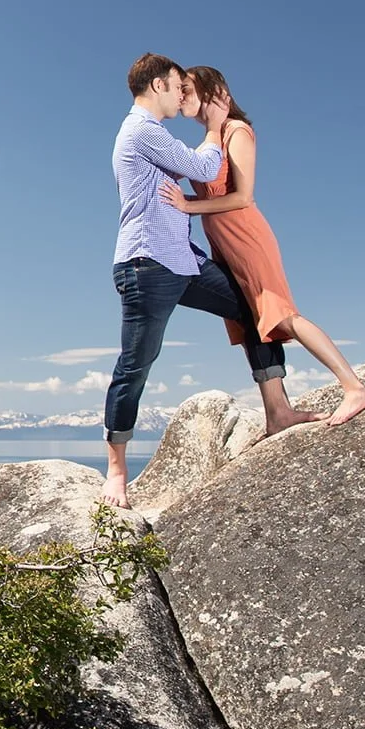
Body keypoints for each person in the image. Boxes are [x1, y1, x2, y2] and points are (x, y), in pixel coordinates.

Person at [103, 54, 316, 509]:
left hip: (183, 261)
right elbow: (202, 169)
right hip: (147, 265)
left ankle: (278, 411)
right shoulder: (142, 131)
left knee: (251, 307)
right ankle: (117, 469)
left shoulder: (155, 134)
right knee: (137, 363)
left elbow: (201, 170)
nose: (182, 96)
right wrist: (219, 125)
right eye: (178, 87)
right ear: (159, 85)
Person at [160, 64, 365, 428]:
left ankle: (355, 387)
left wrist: (188, 205)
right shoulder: (208, 141)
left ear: (214, 92)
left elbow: (243, 197)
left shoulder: (237, 131)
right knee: (250, 325)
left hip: (246, 237)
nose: (180, 95)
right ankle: (277, 412)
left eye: (187, 88)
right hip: (223, 244)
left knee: (281, 315)